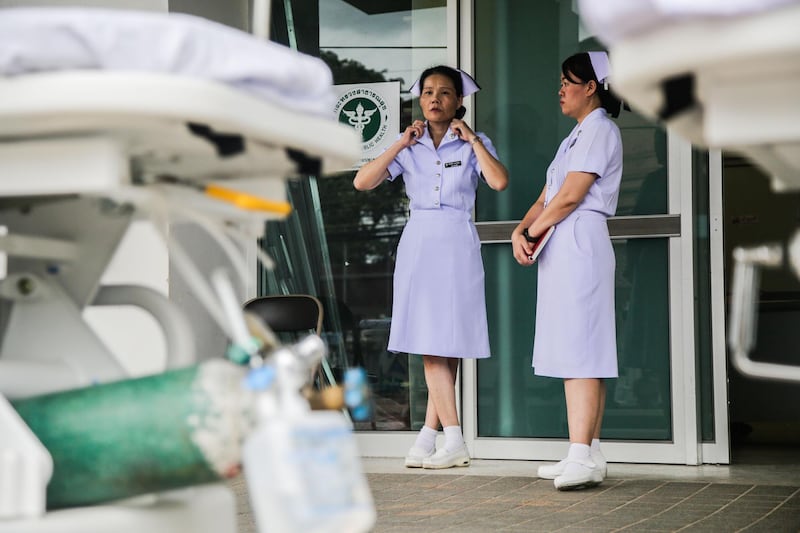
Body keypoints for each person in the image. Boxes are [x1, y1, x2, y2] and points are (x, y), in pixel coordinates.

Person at [354, 65, 508, 469]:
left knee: (447, 340)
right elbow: (362, 182)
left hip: (457, 239)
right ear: (420, 100)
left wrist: (473, 140)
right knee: (430, 339)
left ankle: (449, 439)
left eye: (444, 92)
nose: (435, 98)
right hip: (420, 241)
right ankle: (433, 436)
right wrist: (400, 143)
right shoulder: (411, 145)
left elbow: (498, 182)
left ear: (459, 101)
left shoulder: (473, 142)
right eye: (427, 92)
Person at [511, 51, 623, 490]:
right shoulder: (574, 137)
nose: (559, 89)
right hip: (562, 239)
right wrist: (522, 229)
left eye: (567, 81)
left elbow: (572, 196)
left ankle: (582, 452)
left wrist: (533, 234)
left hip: (579, 238)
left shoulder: (600, 129)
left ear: (591, 86)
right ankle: (588, 452)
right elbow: (546, 196)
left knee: (582, 346)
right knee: (574, 344)